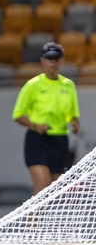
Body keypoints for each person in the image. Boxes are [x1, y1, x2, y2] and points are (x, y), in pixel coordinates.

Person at [12, 42, 80, 195]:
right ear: (43, 61)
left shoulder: (68, 85)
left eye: (56, 59)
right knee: (43, 188)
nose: (53, 62)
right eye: (49, 59)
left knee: (55, 191)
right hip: (38, 140)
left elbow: (71, 113)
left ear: (61, 61)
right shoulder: (33, 85)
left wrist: (74, 123)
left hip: (60, 140)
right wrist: (36, 125)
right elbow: (18, 114)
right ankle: (35, 212)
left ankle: (42, 212)